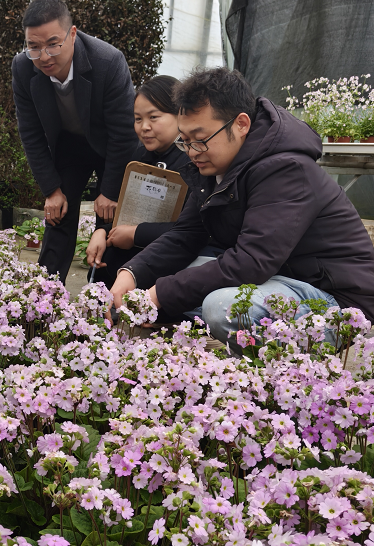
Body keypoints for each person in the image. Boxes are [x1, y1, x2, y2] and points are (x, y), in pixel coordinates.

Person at [107, 67, 374, 351]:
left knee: (223, 307)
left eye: (200, 138)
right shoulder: (215, 166)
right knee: (168, 274)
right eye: (184, 140)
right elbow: (185, 235)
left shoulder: (285, 169)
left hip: (334, 302)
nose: (192, 151)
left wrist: (161, 294)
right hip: (278, 281)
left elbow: (251, 260)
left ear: (241, 124)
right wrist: (132, 274)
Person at [12, 0, 138, 282]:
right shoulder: (22, 67)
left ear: (72, 34)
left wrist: (110, 190)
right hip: (69, 146)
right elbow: (30, 132)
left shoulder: (108, 62)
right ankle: (45, 296)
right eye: (33, 47)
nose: (43, 56)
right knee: (58, 214)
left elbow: (124, 132)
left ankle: (103, 297)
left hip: (110, 147)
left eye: (53, 44)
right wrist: (51, 190)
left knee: (108, 220)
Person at [85, 75, 192, 286]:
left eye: (154, 117)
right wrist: (102, 231)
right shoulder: (138, 159)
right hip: (137, 251)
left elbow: (192, 230)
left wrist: (137, 234)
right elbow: (129, 215)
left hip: (172, 255)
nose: (144, 127)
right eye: (138, 119)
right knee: (106, 261)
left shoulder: (193, 162)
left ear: (180, 115)